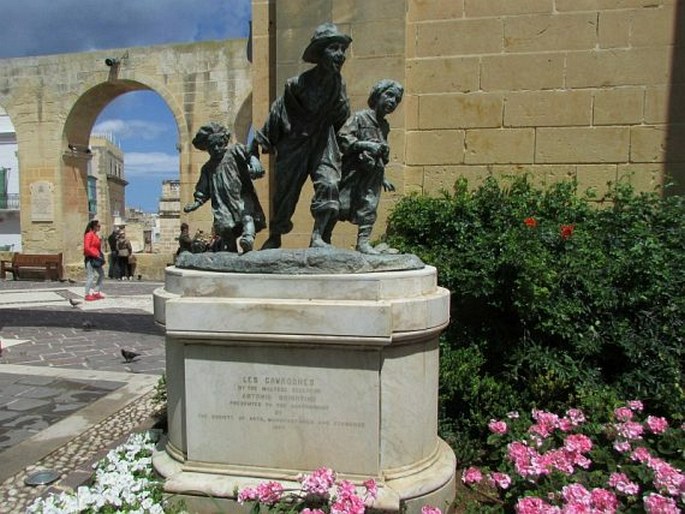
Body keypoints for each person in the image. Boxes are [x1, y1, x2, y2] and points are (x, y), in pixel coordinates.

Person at [250, 22, 352, 249]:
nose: (340, 55)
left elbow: (344, 121)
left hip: (323, 142)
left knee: (330, 182)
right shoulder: (297, 85)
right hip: (295, 143)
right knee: (285, 193)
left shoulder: (338, 85)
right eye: (334, 48)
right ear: (320, 53)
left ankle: (319, 237)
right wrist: (255, 147)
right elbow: (277, 112)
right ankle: (275, 236)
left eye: (342, 49)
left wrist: (354, 145)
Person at [327, 79, 404, 253]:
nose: (393, 102)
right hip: (353, 172)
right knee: (340, 205)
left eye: (397, 100)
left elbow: (382, 153)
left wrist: (384, 177)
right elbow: (343, 138)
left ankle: (363, 243)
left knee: (369, 206)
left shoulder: (384, 126)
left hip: (373, 174)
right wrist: (365, 145)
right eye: (389, 95)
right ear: (378, 95)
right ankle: (323, 238)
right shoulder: (360, 117)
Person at [184, 123, 266, 253]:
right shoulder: (207, 168)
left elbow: (249, 152)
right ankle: (230, 250)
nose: (216, 149)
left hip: (241, 196)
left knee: (247, 216)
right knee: (225, 228)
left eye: (219, 144)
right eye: (212, 147)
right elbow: (203, 189)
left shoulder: (235, 151)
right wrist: (197, 202)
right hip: (221, 203)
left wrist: (254, 162)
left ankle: (248, 238)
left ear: (224, 141)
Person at [83, 219, 105, 301]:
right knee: (91, 276)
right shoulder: (89, 235)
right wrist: (95, 254)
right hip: (91, 258)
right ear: (94, 226)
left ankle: (96, 291)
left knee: (101, 274)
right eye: (98, 226)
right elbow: (86, 248)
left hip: (97, 258)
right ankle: (87, 294)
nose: (100, 227)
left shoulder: (95, 235)